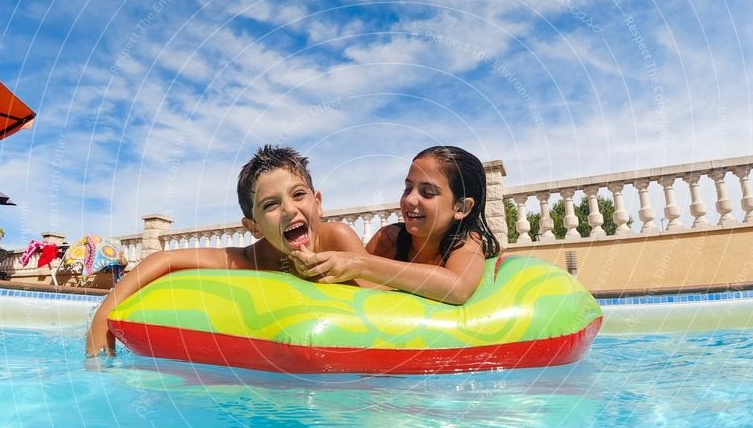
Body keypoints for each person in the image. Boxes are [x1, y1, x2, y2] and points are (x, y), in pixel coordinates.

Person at [85, 145, 367, 356]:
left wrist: (347, 268)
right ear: (253, 227)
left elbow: (383, 298)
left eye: (299, 195)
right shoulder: (252, 260)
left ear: (317, 203)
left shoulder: (337, 239)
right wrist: (101, 319)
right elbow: (164, 259)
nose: (289, 210)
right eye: (270, 205)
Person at [290, 145, 501, 304]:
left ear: (461, 208)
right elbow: (358, 290)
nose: (409, 200)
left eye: (427, 192)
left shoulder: (466, 242)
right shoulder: (389, 238)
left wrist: (360, 264)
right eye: (408, 188)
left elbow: (458, 288)